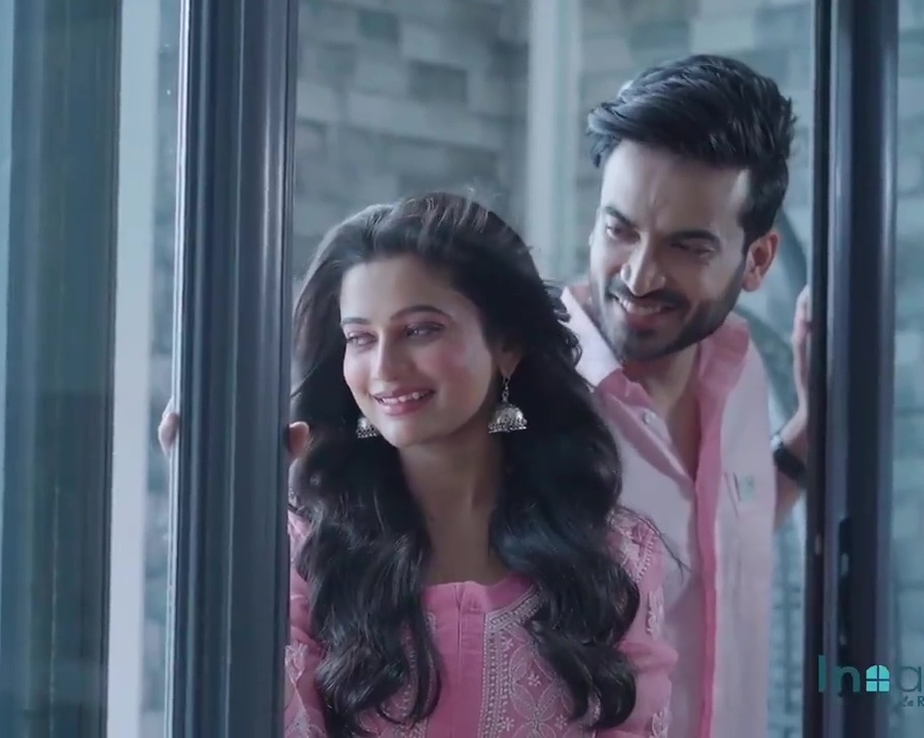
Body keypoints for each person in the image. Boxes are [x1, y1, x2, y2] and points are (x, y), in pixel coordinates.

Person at [164, 192, 675, 736]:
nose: (385, 367)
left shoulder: (615, 553)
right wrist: (216, 531)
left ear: (507, 345)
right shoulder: (303, 549)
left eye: (420, 330)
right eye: (360, 338)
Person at [568, 54, 811, 738]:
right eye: (619, 230)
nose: (640, 276)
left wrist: (808, 432)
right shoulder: (519, 394)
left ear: (756, 260)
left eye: (687, 248)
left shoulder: (742, 373)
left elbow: (712, 540)